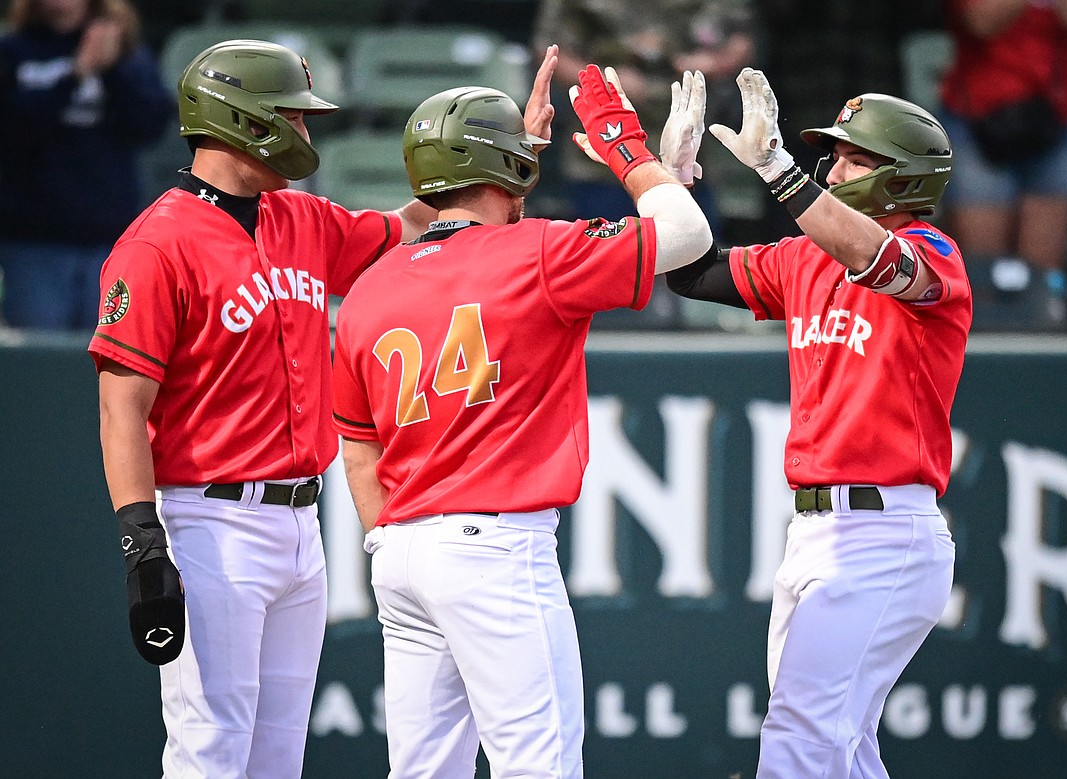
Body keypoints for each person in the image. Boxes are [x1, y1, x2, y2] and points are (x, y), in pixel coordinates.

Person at [330, 49, 712, 777]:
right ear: (508, 171)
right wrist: (629, 154)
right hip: (491, 546)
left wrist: (390, 540)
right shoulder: (536, 251)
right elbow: (687, 235)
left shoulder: (371, 288)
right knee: (539, 765)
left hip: (402, 550)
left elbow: (357, 449)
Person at [85, 38, 453, 778]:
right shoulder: (156, 244)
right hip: (210, 522)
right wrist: (141, 540)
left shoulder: (301, 219)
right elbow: (121, 405)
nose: (306, 132)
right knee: (211, 746)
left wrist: (501, 156)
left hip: (299, 523)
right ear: (241, 118)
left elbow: (411, 231)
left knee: (278, 753)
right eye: (292, 114)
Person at [664, 69, 970, 778]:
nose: (834, 169)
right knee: (842, 746)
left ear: (902, 178)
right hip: (816, 532)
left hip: (885, 533)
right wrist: (669, 181)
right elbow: (690, 273)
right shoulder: (804, 257)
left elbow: (878, 258)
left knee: (800, 737)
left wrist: (776, 168)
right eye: (832, 155)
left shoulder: (937, 256)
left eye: (853, 157)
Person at [531, 0, 756, 328]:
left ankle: (692, 334)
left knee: (694, 254)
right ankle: (612, 334)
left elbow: (741, 37)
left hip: (684, 130)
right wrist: (598, 78)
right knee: (606, 258)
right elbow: (549, 49)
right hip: (605, 137)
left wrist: (712, 62)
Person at [0, 0, 171, 330]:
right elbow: (13, 131)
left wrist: (112, 69)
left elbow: (149, 125)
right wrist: (77, 74)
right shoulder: (15, 50)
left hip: (110, 238)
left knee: (108, 359)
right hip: (34, 239)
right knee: (43, 363)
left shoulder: (123, 51)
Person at [937, 0, 1067, 327]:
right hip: (979, 119)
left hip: (1054, 119)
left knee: (1043, 280)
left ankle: (1040, 369)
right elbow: (981, 20)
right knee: (980, 275)